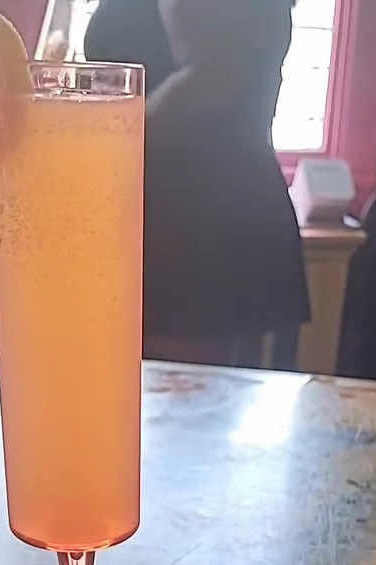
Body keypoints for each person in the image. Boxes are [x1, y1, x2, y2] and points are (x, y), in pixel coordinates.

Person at [85, 0, 309, 365]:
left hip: (195, 236)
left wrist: (97, 145)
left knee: (177, 396)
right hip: (190, 228)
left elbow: (212, 76)